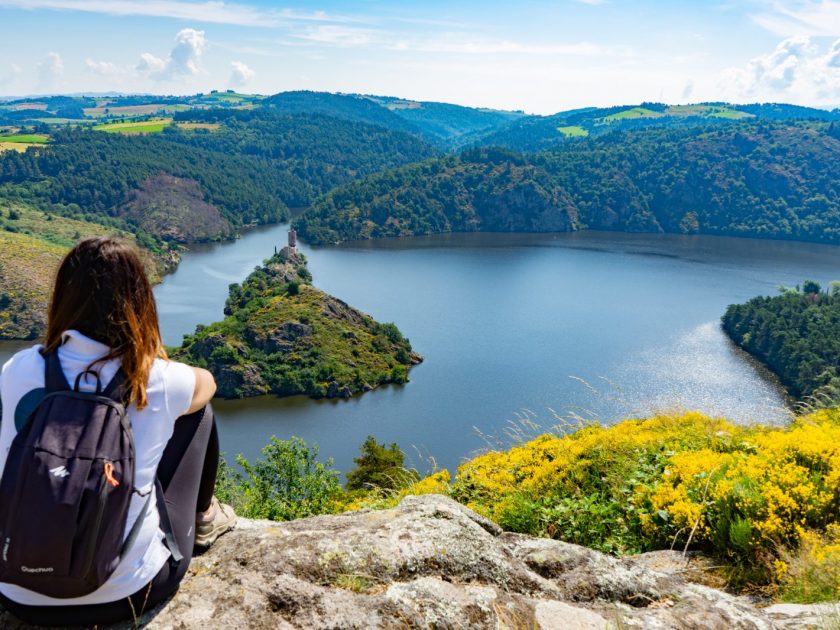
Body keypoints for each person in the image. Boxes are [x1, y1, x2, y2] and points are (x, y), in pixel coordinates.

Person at [0, 237, 236, 626]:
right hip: (128, 593)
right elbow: (208, 384)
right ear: (140, 299)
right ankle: (206, 518)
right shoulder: (157, 379)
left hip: (17, 594)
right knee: (198, 413)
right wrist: (152, 353)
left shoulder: (18, 370)